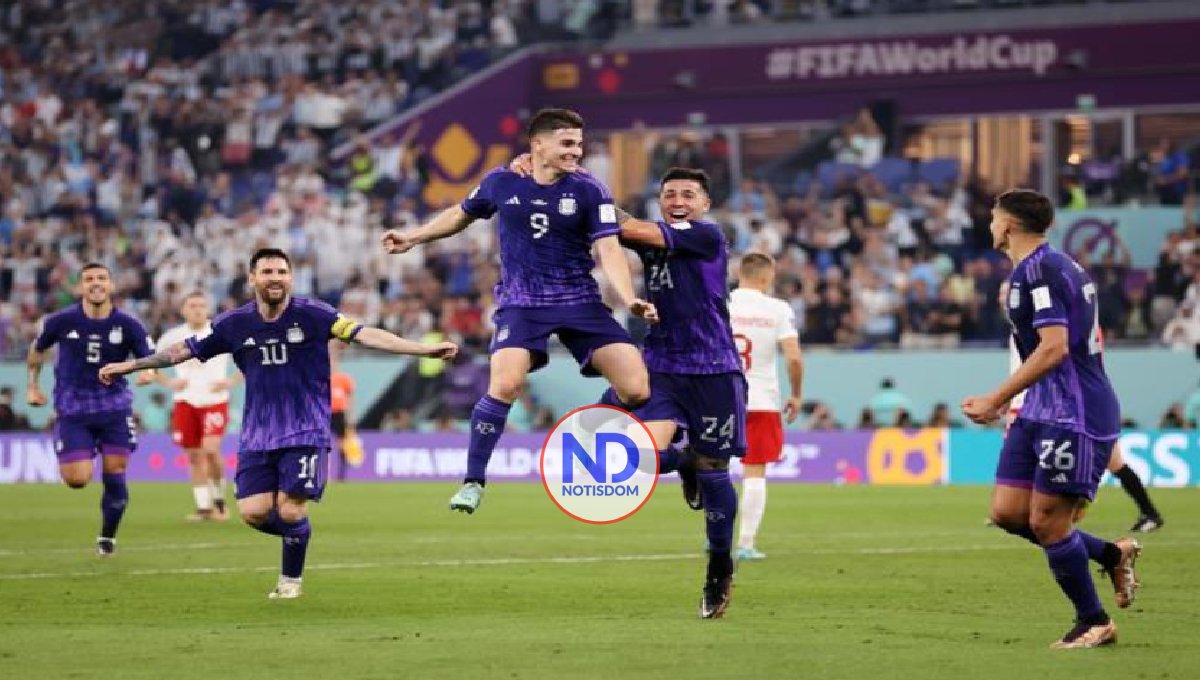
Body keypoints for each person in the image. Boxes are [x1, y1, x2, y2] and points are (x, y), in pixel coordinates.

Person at [100, 248, 457, 599]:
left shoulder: (315, 314)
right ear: (252, 278)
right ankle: (298, 535)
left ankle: (290, 579)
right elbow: (182, 350)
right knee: (254, 513)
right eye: (268, 272)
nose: (275, 279)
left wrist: (421, 349)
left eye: (282, 272)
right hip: (258, 433)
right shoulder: (233, 324)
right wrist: (132, 365)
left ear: (291, 278)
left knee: (288, 507)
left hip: (305, 428)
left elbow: (365, 333)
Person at [381, 108, 657, 514]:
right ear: (538, 144)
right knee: (506, 384)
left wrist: (626, 295)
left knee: (636, 388)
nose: (575, 151)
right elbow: (461, 214)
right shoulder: (501, 181)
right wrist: (414, 237)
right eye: (567, 143)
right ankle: (473, 481)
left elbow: (609, 246)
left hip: (578, 300)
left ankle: (588, 431)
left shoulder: (590, 189)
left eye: (579, 144)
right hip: (521, 303)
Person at [962, 190, 1141, 649]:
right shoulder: (1044, 267)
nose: (989, 226)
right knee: (1007, 513)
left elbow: (1055, 346)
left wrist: (996, 398)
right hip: (1041, 407)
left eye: (993, 218)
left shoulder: (1041, 269)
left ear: (1009, 226)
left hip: (1072, 411)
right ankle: (1110, 554)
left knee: (1047, 523)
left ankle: (1094, 621)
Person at [603, 167, 746, 619]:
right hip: (662, 364)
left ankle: (719, 567)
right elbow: (612, 224)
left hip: (713, 369)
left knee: (715, 471)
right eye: (669, 194)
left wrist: (576, 182)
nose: (678, 200)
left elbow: (621, 223)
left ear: (704, 204)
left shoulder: (707, 235)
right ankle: (682, 461)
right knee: (639, 455)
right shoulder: (652, 235)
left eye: (688, 194)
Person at [999, 281, 1165, 534]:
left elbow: (1039, 365)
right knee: (1112, 462)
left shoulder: (1044, 328)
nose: (1004, 297)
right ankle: (1146, 512)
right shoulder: (1068, 322)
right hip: (1084, 401)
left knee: (1110, 462)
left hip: (1068, 405)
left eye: (1007, 292)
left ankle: (1050, 508)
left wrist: (1009, 398)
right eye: (1002, 293)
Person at [26, 262, 157, 556]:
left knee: (116, 469)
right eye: (89, 279)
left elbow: (149, 357)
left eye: (101, 278)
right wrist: (32, 385)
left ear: (111, 285)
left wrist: (147, 373)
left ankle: (107, 538)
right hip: (72, 409)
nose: (96, 283)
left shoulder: (128, 323)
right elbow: (37, 350)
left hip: (115, 409)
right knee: (76, 479)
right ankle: (84, 450)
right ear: (80, 287)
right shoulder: (61, 321)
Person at [728, 252, 804, 561]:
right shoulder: (777, 309)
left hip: (720, 397)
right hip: (760, 399)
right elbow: (794, 357)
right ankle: (745, 544)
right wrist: (797, 394)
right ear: (766, 277)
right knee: (754, 472)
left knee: (713, 468)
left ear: (740, 273)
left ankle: (715, 535)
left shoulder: (721, 304)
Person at [156, 292, 240, 521]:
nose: (197, 309)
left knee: (211, 450)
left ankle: (220, 501)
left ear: (208, 309)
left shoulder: (220, 332)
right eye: (192, 305)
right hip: (185, 401)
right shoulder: (173, 336)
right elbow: (150, 364)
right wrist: (169, 382)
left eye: (202, 305)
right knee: (194, 455)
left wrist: (231, 381)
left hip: (215, 400)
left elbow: (249, 359)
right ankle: (204, 507)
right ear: (183, 310)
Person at [329, 340, 359, 480]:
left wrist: (351, 416)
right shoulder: (323, 379)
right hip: (326, 413)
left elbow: (351, 399)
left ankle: (342, 474)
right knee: (324, 443)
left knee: (342, 443)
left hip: (339, 413)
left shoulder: (344, 380)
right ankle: (323, 473)